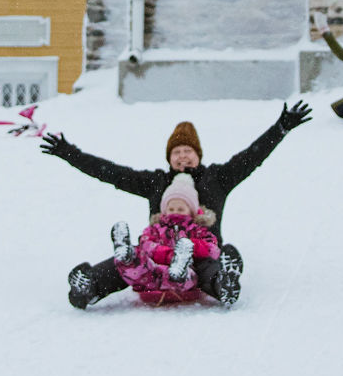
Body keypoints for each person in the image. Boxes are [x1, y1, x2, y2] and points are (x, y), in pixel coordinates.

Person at [41, 102, 311, 310]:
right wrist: (69, 153)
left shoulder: (217, 178)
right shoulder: (156, 182)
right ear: (169, 158)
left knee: (210, 267)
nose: (183, 156)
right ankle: (89, 286)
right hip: (158, 253)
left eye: (188, 151)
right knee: (130, 260)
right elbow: (110, 172)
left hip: (202, 251)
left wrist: (281, 128)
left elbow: (251, 158)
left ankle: (224, 284)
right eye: (176, 152)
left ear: (198, 155)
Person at [109, 172, 219, 306]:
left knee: (189, 275)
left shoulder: (196, 229)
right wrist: (168, 255)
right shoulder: (155, 229)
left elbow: (213, 249)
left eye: (181, 208)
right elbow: (146, 244)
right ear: (164, 210)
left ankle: (179, 269)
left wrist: (192, 246)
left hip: (184, 278)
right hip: (153, 272)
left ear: (191, 211)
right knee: (140, 268)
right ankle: (127, 257)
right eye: (171, 208)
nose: (175, 211)